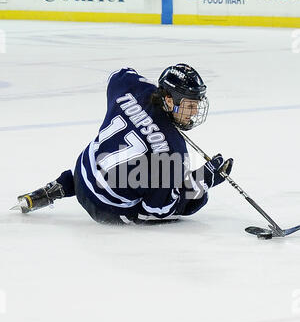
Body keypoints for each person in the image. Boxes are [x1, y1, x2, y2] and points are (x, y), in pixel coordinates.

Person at [12, 64, 233, 225]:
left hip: (81, 172)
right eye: (189, 106)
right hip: (106, 209)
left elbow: (120, 74)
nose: (194, 113)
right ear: (167, 99)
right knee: (191, 201)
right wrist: (202, 182)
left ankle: (61, 186)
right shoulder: (174, 150)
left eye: (196, 105)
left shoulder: (129, 86)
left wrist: (145, 99)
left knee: (115, 161)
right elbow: (155, 211)